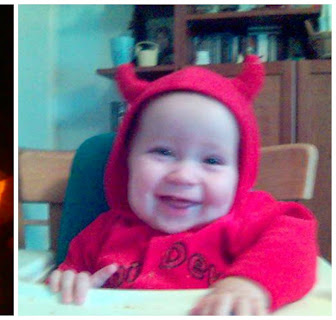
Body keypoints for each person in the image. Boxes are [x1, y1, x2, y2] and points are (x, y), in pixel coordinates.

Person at [47, 55, 318, 315]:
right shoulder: (100, 235)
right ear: (126, 161)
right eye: (163, 152)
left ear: (240, 174)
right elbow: (59, 287)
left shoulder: (248, 220)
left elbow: (296, 243)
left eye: (212, 159)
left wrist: (251, 284)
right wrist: (72, 283)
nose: (184, 176)